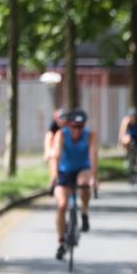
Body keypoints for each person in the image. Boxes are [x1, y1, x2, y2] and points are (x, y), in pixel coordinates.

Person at [50, 108, 98, 260]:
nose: (77, 130)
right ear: (69, 125)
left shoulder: (90, 135)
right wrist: (54, 176)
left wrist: (94, 177)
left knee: (84, 184)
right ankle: (61, 243)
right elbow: (56, 156)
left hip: (83, 169)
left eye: (80, 126)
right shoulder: (61, 134)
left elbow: (93, 156)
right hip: (65, 171)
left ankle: (84, 213)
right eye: (74, 126)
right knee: (62, 205)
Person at [44, 109, 66, 187]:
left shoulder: (68, 128)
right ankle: (54, 179)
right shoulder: (52, 130)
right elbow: (48, 141)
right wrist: (48, 152)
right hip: (56, 151)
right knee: (54, 157)